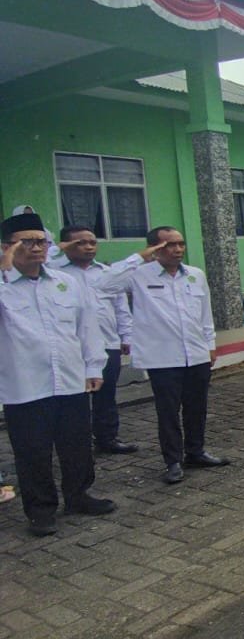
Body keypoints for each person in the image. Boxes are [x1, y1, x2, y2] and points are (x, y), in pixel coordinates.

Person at [0, 212, 114, 536]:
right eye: (27, 242)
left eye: (42, 241)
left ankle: (79, 496)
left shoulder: (67, 283)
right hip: (24, 386)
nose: (37, 248)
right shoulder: (3, 285)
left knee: (76, 445)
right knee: (32, 452)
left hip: (69, 379)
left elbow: (87, 327)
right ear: (6, 247)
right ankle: (40, 510)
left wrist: (93, 366)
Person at [113, 227, 230, 485]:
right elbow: (104, 284)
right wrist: (138, 258)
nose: (177, 250)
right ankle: (173, 461)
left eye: (180, 244)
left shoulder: (195, 275)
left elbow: (205, 314)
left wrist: (210, 345)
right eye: (169, 245)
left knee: (197, 408)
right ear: (154, 249)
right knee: (168, 413)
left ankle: (196, 452)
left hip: (197, 354)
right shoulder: (138, 276)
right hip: (163, 359)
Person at [52, 225, 141, 454]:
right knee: (73, 398)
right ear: (65, 246)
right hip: (71, 346)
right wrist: (56, 251)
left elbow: (121, 307)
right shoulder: (54, 273)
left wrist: (127, 335)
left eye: (92, 242)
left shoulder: (106, 273)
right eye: (80, 242)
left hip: (107, 342)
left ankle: (107, 438)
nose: (89, 247)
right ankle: (75, 443)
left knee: (106, 395)